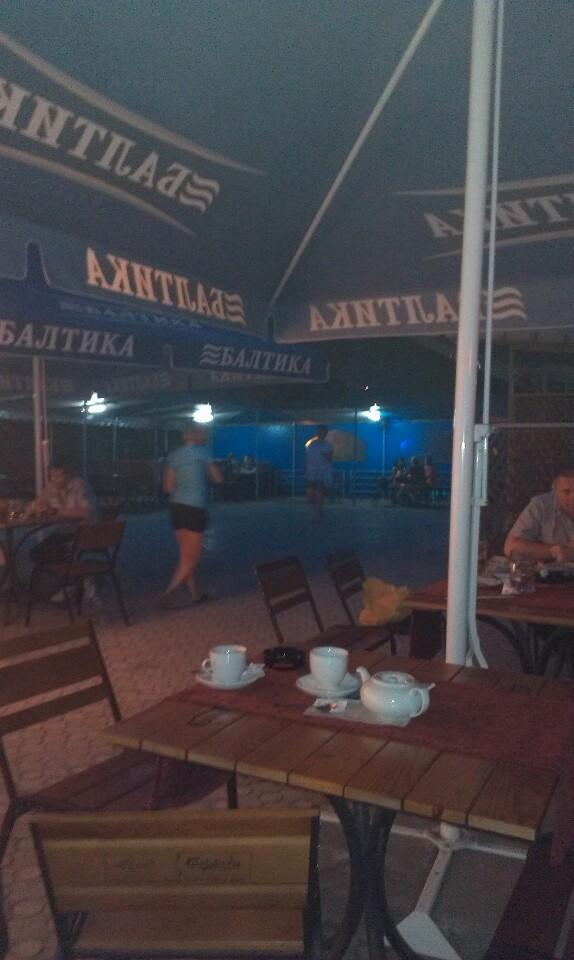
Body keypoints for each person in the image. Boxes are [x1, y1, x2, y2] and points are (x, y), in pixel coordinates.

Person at [162, 425, 223, 606]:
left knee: (185, 554)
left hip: (176, 508)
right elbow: (218, 478)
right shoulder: (204, 453)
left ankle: (195, 594)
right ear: (198, 436)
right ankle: (169, 593)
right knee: (194, 556)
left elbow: (168, 487)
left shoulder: (173, 456)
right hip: (196, 507)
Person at [25, 459, 97, 563]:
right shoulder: (51, 487)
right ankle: (64, 571)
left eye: (58, 476)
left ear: (69, 475)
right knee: (36, 553)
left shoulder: (79, 485)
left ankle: (67, 570)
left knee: (40, 554)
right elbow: (37, 503)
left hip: (82, 534)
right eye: (52, 476)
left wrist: (56, 511)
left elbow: (87, 512)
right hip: (63, 532)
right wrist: (30, 511)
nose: (54, 479)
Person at [504, 462, 574, 562]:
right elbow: (511, 547)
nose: (573, 498)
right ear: (554, 488)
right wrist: (554, 552)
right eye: (566, 492)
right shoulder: (541, 505)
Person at [305, 425, 333, 520]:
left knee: (319, 492)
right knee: (310, 492)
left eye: (322, 432)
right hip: (311, 471)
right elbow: (308, 457)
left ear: (325, 434)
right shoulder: (312, 444)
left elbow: (330, 459)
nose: (320, 434)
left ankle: (317, 511)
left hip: (322, 472)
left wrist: (325, 455)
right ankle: (315, 509)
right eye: (319, 432)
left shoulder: (328, 445)